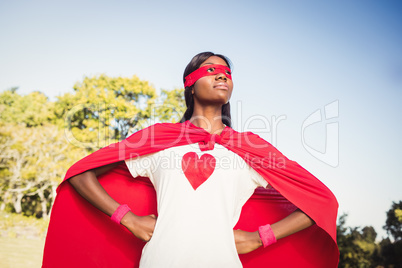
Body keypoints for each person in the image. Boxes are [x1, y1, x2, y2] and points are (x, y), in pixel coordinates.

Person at [42, 52, 339, 267]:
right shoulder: (158, 139)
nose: (223, 74)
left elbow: (321, 201)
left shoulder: (248, 147)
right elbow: (81, 174)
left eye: (227, 72)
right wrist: (127, 218)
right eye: (211, 70)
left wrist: (262, 237)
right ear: (190, 84)